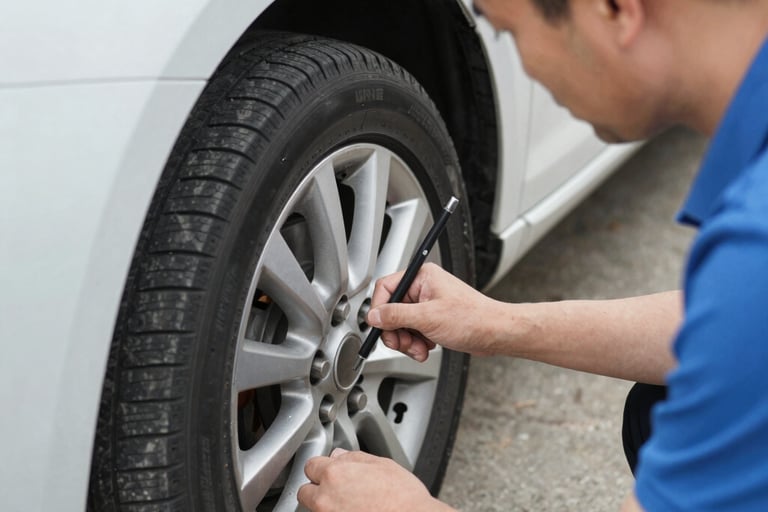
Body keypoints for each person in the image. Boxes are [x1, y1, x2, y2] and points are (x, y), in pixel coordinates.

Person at [297, 0, 768, 510]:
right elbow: (730, 331)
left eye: (511, 34)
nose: (527, 68)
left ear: (614, 11)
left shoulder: (751, 243)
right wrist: (496, 323)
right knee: (657, 406)